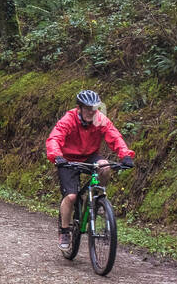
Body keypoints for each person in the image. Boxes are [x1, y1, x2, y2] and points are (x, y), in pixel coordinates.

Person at [45, 90, 135, 251]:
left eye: (94, 109)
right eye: (87, 109)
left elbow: (114, 136)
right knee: (71, 196)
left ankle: (96, 199)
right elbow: (55, 138)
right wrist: (57, 156)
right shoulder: (69, 119)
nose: (91, 112)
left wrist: (125, 155)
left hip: (89, 156)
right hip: (67, 159)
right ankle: (65, 231)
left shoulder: (99, 119)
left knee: (105, 166)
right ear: (79, 108)